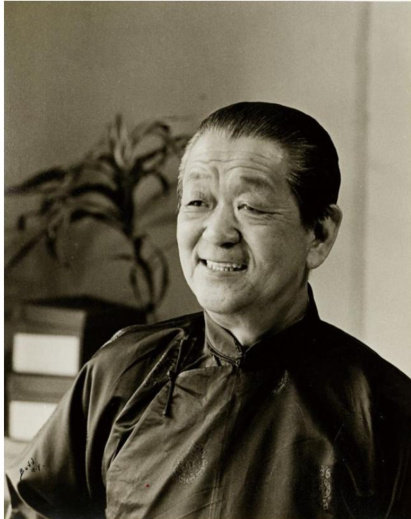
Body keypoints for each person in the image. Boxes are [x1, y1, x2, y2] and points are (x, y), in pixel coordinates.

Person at [6, 102, 411, 519]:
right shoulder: (122, 372)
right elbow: (32, 507)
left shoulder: (384, 412)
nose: (217, 233)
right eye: (198, 202)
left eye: (250, 207)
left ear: (319, 234)